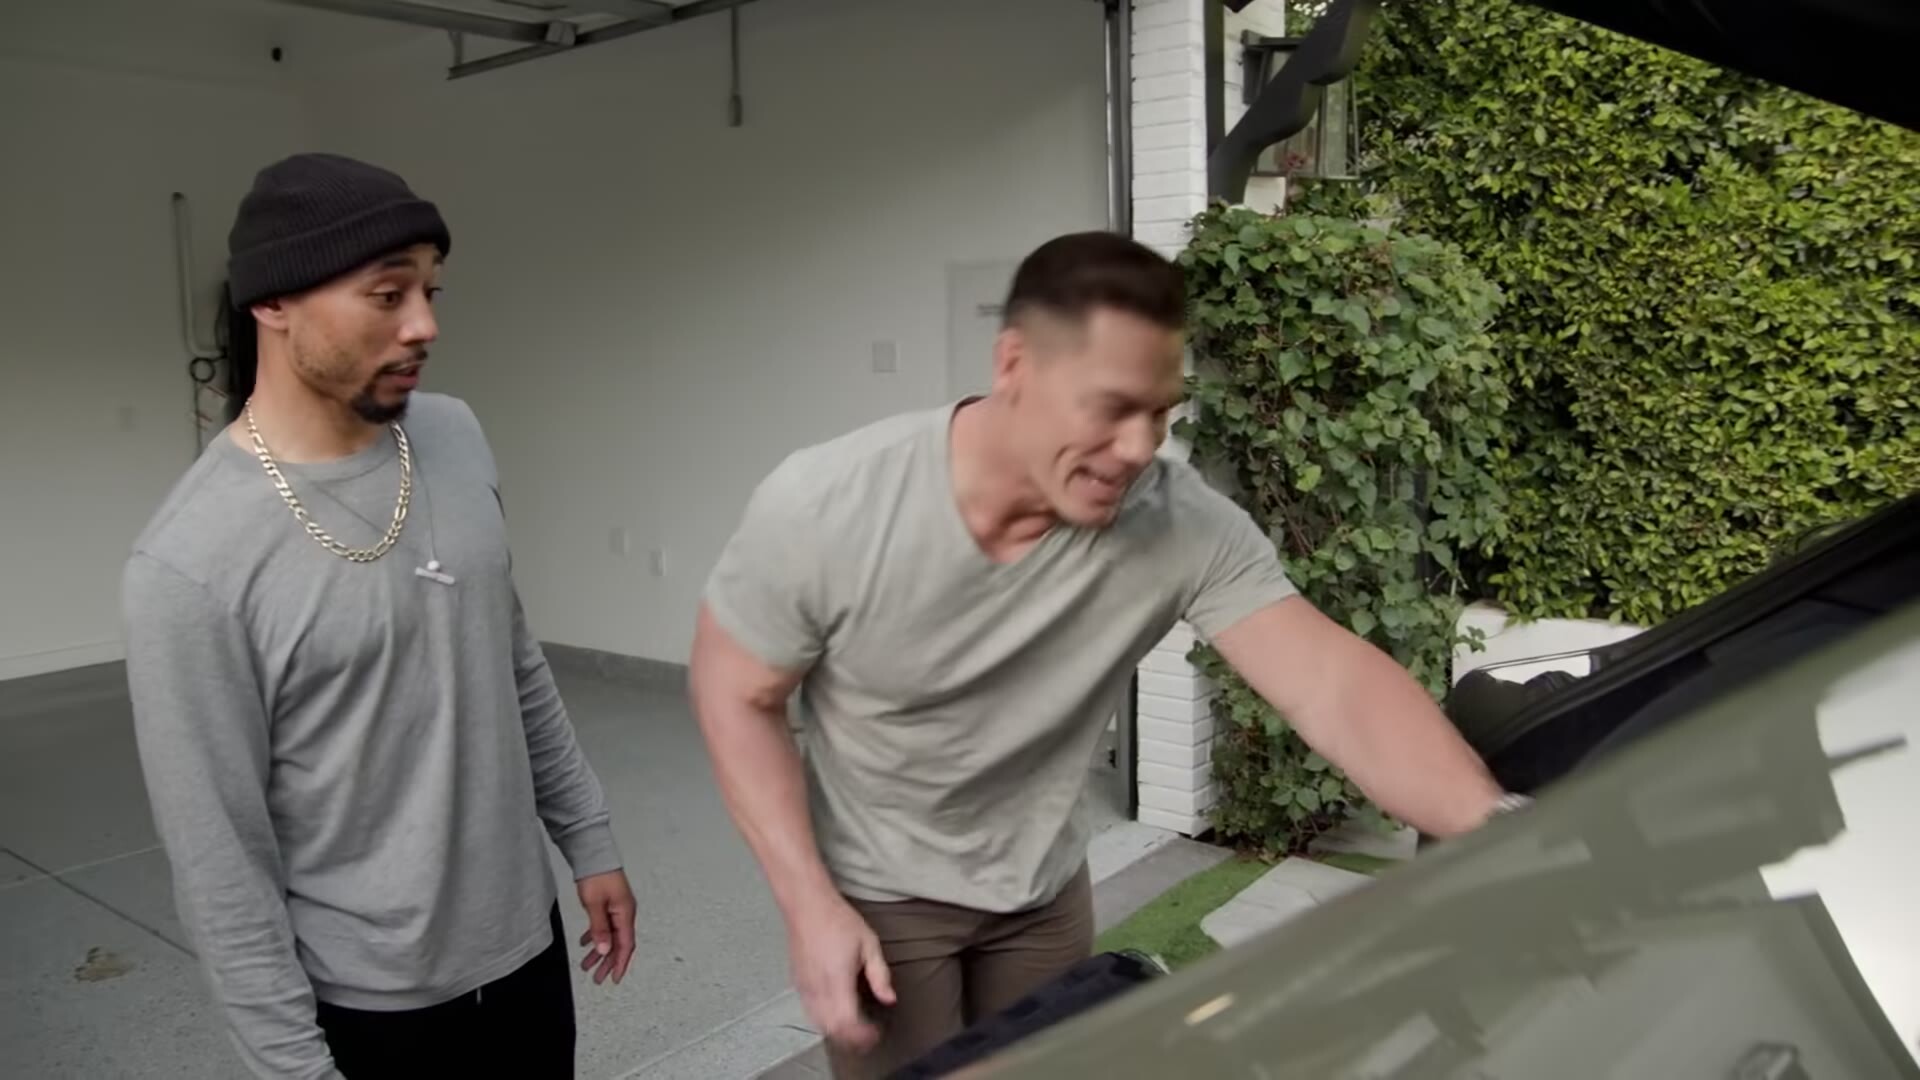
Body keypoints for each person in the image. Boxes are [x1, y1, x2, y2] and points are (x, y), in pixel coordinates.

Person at [689, 231, 1523, 1078]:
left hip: (1044, 893)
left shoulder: (1180, 522)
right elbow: (735, 694)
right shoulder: (827, 505)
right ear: (1013, 364)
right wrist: (809, 903)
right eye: (1110, 407)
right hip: (885, 894)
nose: (1137, 447)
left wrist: (1505, 832)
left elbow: (1331, 685)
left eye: (1159, 412)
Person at [122, 153, 636, 1079]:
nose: (424, 324)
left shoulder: (454, 433)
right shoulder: (189, 565)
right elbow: (221, 864)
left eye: (431, 291)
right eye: (387, 295)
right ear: (273, 302)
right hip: (368, 1010)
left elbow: (511, 659)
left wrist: (587, 838)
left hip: (527, 950)